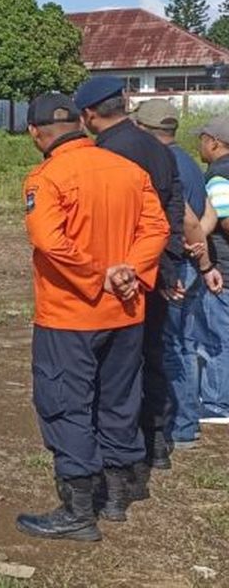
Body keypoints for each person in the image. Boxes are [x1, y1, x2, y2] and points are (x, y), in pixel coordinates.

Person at [16, 93, 169, 542]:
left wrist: (99, 276)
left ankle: (79, 509)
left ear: (34, 132)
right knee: (120, 398)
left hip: (70, 313)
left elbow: (49, 240)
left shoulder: (47, 178)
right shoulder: (128, 170)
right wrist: (132, 272)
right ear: (79, 125)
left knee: (66, 403)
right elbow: (156, 227)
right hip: (126, 310)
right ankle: (119, 494)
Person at [73, 76, 186, 473]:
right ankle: (157, 445)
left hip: (121, 275)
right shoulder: (157, 148)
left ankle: (124, 459)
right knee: (153, 355)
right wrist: (167, 259)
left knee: (118, 369)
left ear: (88, 115)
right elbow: (172, 206)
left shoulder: (107, 154)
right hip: (155, 265)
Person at [133, 99, 223, 448]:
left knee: (172, 346)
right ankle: (185, 422)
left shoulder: (161, 162)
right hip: (193, 263)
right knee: (183, 342)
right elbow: (209, 213)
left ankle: (181, 426)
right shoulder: (187, 159)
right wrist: (201, 248)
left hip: (179, 267)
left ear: (142, 129)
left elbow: (185, 218)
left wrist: (195, 254)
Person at [196, 116, 229, 426]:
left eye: (203, 140)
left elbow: (226, 220)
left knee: (217, 337)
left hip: (224, 270)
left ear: (215, 143)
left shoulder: (218, 177)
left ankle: (218, 403)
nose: (200, 145)